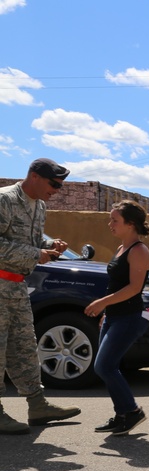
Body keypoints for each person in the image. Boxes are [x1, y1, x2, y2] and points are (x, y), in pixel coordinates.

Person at [0, 158, 81, 435]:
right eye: (53, 184)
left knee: (23, 347)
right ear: (34, 176)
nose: (56, 190)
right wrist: (37, 254)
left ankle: (37, 405)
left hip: (17, 286)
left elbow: (26, 241)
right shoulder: (5, 199)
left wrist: (49, 244)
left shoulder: (40, 205)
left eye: (59, 185)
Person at [85, 201, 149, 436]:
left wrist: (102, 302)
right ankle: (122, 414)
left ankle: (132, 412)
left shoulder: (139, 251)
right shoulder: (121, 248)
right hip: (114, 316)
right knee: (106, 366)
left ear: (130, 224)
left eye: (115, 220)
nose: (110, 224)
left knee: (104, 366)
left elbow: (134, 288)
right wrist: (107, 311)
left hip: (129, 316)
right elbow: (116, 284)